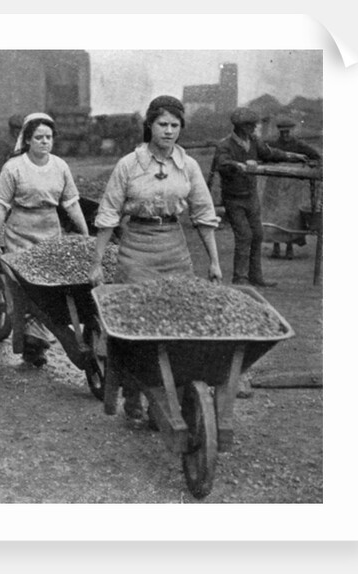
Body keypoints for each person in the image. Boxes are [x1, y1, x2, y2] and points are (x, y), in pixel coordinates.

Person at [88, 95, 222, 418]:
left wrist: (215, 261)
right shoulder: (129, 165)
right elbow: (108, 215)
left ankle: (165, 400)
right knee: (137, 326)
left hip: (174, 247)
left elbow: (204, 215)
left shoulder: (187, 166)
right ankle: (134, 392)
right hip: (136, 248)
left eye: (175, 125)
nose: (169, 131)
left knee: (177, 326)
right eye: (163, 124)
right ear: (150, 124)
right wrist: (96, 262)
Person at [0, 112, 90, 367]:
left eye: (49, 137)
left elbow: (71, 203)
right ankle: (33, 343)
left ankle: (37, 341)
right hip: (20, 232)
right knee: (26, 289)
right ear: (28, 140)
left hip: (50, 231)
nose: (45, 142)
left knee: (50, 288)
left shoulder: (60, 166)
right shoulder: (14, 167)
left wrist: (86, 235)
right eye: (39, 137)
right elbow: (0, 207)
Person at [214, 107, 309, 286]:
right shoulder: (225, 145)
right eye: (251, 125)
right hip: (234, 199)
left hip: (251, 197)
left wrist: (293, 156)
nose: (255, 128)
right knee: (244, 236)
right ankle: (240, 279)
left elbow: (270, 154)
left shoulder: (254, 141)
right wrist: (238, 165)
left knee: (257, 235)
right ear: (241, 126)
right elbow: (222, 163)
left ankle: (256, 278)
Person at [266, 116, 322, 259]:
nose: (285, 135)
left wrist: (312, 163)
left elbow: (316, 155)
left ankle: (289, 247)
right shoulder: (273, 144)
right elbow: (264, 154)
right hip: (275, 183)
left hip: (292, 185)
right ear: (279, 132)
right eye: (282, 132)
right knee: (275, 215)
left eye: (288, 132)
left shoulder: (299, 145)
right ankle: (276, 247)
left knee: (291, 216)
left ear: (292, 131)